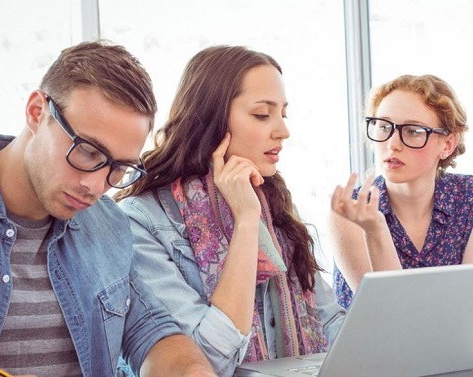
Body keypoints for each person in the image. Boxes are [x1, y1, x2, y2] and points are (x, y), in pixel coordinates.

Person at [0, 41, 216, 376]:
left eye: (119, 168)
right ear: (37, 112)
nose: (97, 187)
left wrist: (190, 370)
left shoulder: (108, 223)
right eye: (87, 152)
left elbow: (151, 330)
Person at [114, 45, 346, 377]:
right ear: (212, 118)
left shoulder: (275, 204)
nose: (283, 130)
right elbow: (205, 363)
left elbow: (329, 324)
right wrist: (246, 222)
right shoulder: (143, 219)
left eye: (284, 113)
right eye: (263, 114)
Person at [330, 74, 473, 308]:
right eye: (384, 126)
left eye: (413, 131)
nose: (392, 144)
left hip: (449, 343)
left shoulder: (472, 195)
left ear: (447, 144)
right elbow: (390, 314)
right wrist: (376, 230)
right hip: (371, 345)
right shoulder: (349, 210)